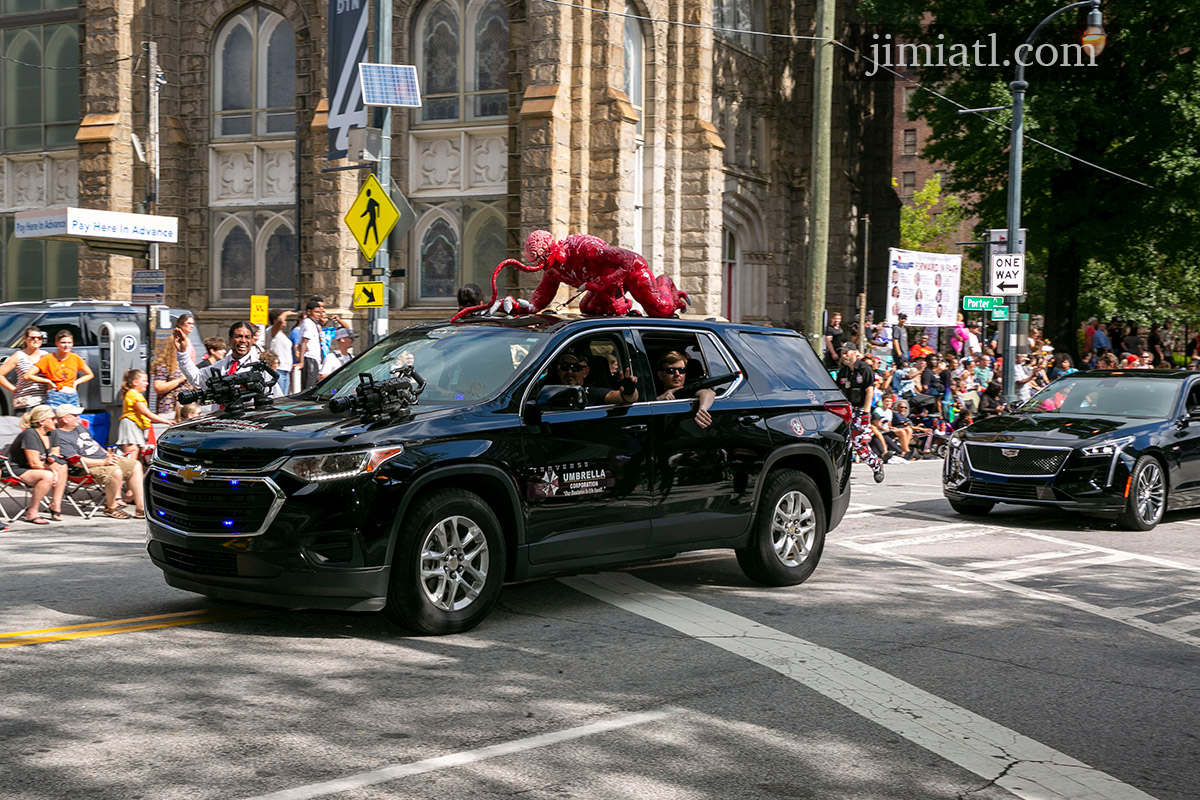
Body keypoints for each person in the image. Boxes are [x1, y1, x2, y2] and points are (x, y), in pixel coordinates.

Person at [54, 404, 145, 520]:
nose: (78, 417)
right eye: (75, 415)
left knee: (135, 464)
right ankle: (111, 507)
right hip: (86, 467)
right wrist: (104, 462)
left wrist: (108, 454)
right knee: (115, 471)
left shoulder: (79, 427)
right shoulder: (60, 436)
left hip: (104, 459)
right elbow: (76, 462)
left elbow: (92, 443)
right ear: (65, 419)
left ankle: (141, 508)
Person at [7, 404, 66, 523]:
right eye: (52, 419)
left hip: (38, 466)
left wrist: (53, 460)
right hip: (17, 469)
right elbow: (34, 463)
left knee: (62, 466)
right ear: (42, 422)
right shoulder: (30, 434)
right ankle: (32, 512)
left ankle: (56, 505)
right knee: (47, 476)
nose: (56, 421)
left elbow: (55, 453)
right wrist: (52, 471)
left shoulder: (52, 433)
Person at [836, 345, 884, 483]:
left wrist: (866, 413)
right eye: (842, 353)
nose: (844, 355)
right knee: (841, 442)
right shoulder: (843, 372)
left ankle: (876, 464)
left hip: (861, 409)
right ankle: (840, 473)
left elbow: (870, 391)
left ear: (855, 353)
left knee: (859, 443)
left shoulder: (864, 369)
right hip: (846, 410)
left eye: (846, 352)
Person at [176, 321, 261, 387]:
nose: (243, 340)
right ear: (230, 339)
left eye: (247, 337)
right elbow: (197, 378)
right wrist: (182, 353)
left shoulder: (259, 368)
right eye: (238, 336)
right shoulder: (219, 366)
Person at [25, 330, 93, 408]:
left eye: (69, 343)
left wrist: (76, 382)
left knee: (72, 419)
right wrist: (48, 381)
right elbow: (28, 375)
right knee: (56, 418)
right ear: (57, 343)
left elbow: (89, 374)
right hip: (56, 395)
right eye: (63, 342)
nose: (66, 345)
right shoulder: (48, 358)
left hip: (72, 395)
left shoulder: (75, 357)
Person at [553, 346, 638, 406]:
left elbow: (621, 398)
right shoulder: (548, 391)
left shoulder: (591, 393)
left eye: (575, 368)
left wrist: (629, 392)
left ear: (586, 372)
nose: (569, 371)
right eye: (565, 366)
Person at [117, 369, 174, 456]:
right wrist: (166, 421)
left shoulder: (136, 395)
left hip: (136, 426)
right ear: (135, 382)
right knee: (132, 454)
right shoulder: (133, 395)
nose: (147, 383)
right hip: (130, 426)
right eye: (144, 381)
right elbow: (147, 413)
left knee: (139, 454)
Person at [654, 350, 715, 428]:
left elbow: (708, 393)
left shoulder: (689, 389)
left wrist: (703, 408)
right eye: (671, 371)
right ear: (660, 375)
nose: (677, 374)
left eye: (681, 370)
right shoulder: (650, 392)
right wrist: (659, 399)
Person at [0, 327, 49, 413]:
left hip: (42, 402)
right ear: (25, 339)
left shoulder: (46, 356)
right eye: (32, 338)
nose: (36, 340)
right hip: (24, 402)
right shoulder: (19, 356)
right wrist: (12, 389)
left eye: (39, 338)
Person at [151, 335, 189, 417]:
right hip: (169, 410)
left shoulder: (183, 363)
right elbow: (158, 387)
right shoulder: (163, 366)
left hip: (184, 409)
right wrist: (179, 380)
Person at [298, 298, 329, 391]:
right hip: (309, 358)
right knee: (309, 387)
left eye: (320, 312)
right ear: (309, 312)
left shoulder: (313, 324)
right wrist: (301, 362)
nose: (318, 315)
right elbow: (304, 343)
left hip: (315, 358)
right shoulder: (308, 323)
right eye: (316, 312)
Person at [264, 309, 296, 394]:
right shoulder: (271, 331)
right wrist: (286, 313)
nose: (285, 321)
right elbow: (280, 320)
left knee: (283, 398)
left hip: (285, 369)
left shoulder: (282, 334)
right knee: (278, 397)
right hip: (277, 369)